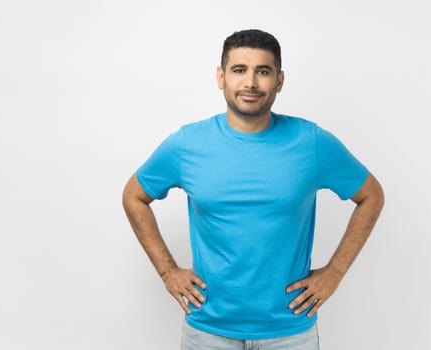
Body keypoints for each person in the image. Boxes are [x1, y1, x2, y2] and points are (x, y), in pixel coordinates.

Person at [122, 29, 384, 350]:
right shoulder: (187, 144)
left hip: (290, 332)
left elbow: (371, 195)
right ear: (221, 77)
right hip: (209, 332)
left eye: (263, 71)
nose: (250, 82)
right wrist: (167, 271)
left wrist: (336, 272)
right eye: (239, 70)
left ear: (279, 80)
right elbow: (134, 195)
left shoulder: (311, 143)